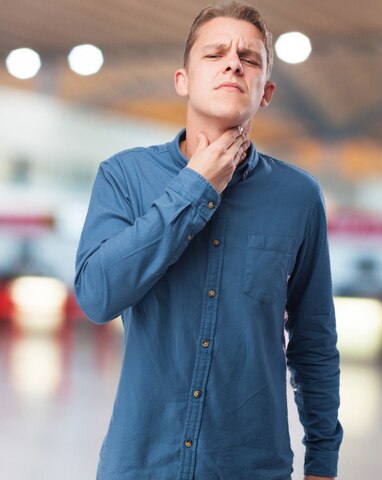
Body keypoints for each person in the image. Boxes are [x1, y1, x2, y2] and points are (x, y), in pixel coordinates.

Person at [74, 2, 342, 479]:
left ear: (266, 92)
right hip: (141, 465)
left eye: (250, 58)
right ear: (183, 80)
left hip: (250, 467)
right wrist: (193, 189)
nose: (233, 63)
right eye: (215, 53)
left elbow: (313, 341)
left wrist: (322, 461)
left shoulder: (298, 197)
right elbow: (97, 297)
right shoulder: (124, 177)